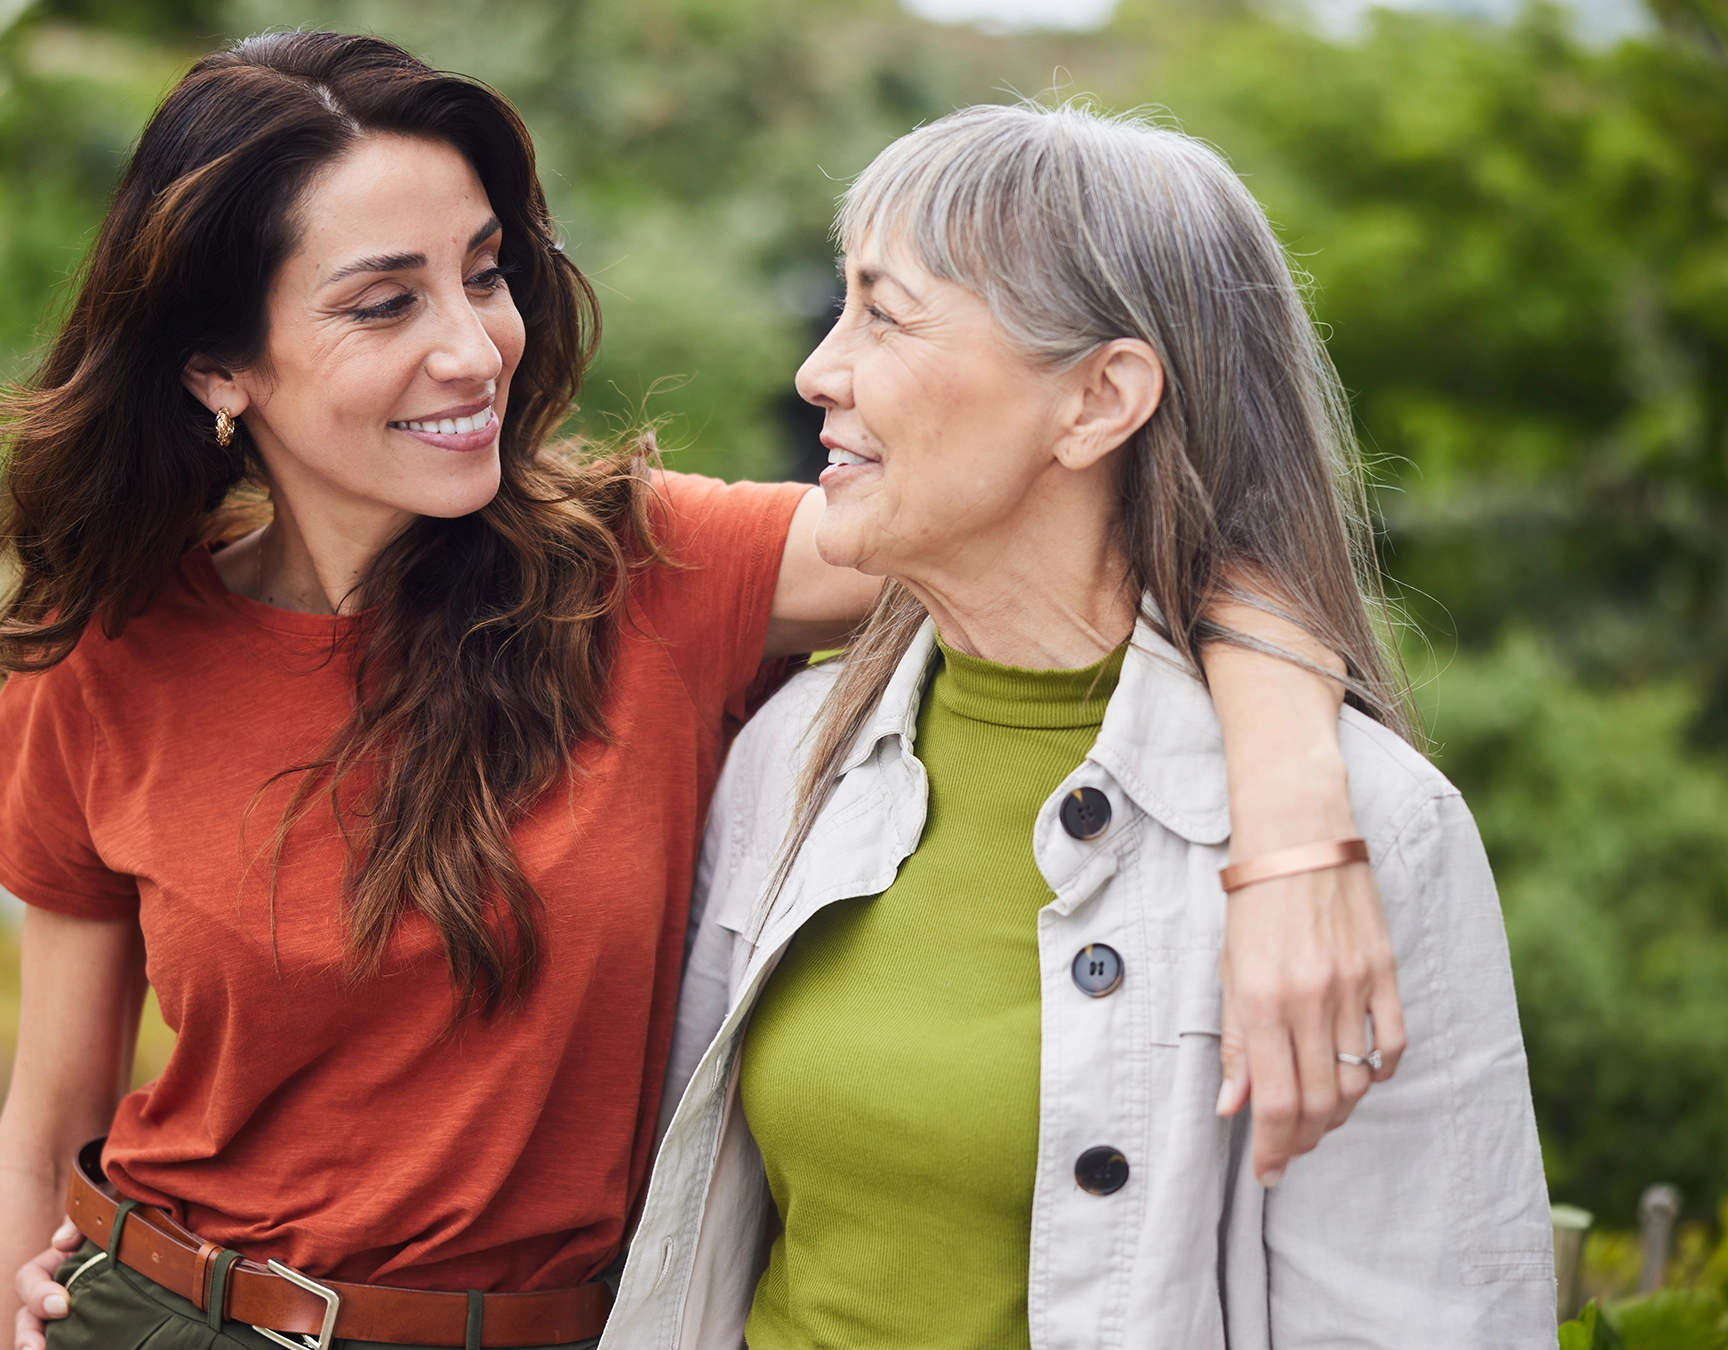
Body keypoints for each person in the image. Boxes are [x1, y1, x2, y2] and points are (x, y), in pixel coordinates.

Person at [0, 33, 1405, 1350]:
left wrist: (1293, 831)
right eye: (382, 302)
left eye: (485, 271)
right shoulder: (110, 653)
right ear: (220, 365)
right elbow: (48, 1125)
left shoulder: (648, 572)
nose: (473, 346)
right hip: (157, 1314)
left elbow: (1149, 521)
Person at [605, 103, 1553, 1350]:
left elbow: (1420, 1319)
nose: (818, 370)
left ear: (1098, 400)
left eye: (885, 316)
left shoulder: (1366, 829)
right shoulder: (793, 756)